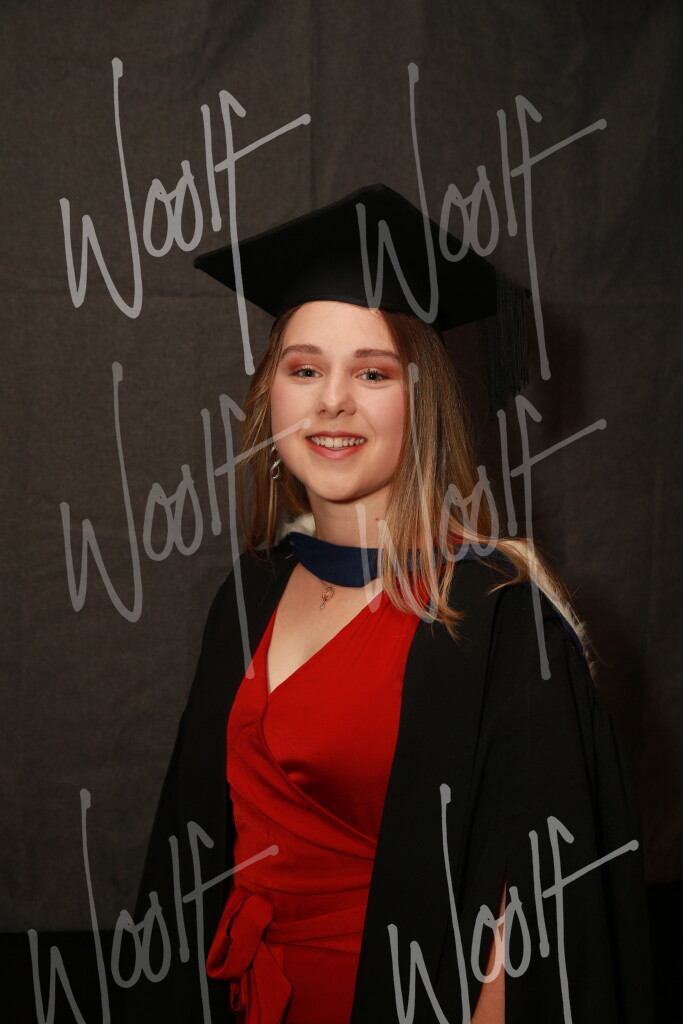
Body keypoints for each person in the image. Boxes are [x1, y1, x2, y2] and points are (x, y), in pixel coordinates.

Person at [117, 185, 655, 1023]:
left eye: (372, 372)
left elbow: (525, 933)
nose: (331, 400)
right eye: (304, 369)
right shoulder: (251, 589)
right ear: (268, 396)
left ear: (422, 399)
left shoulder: (494, 618)